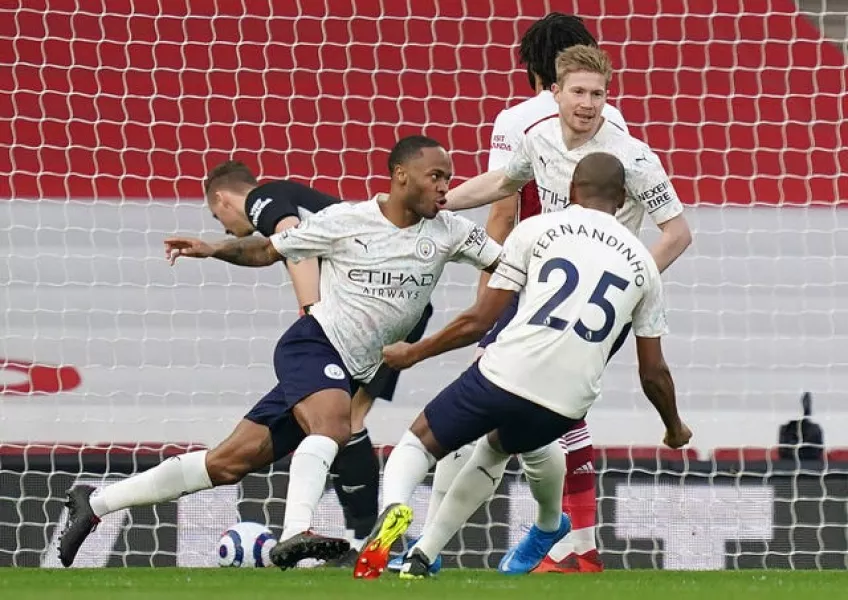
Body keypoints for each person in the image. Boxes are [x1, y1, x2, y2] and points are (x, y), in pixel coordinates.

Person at [57, 135, 502, 569]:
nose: (446, 187)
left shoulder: (452, 233)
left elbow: (509, 265)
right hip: (313, 344)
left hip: (350, 368)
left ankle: (95, 502)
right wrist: (215, 249)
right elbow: (269, 249)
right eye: (436, 176)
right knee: (334, 424)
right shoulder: (348, 220)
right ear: (401, 176)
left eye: (449, 177)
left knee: (226, 463)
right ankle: (294, 533)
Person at [411, 40, 693, 574]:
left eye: (599, 94)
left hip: (597, 301)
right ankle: (560, 540)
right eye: (580, 92)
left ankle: (553, 543)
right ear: (555, 92)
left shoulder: (630, 155)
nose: (589, 104)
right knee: (530, 413)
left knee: (526, 404)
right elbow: (502, 183)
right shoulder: (538, 137)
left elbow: (677, 233)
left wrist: (632, 279)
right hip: (543, 286)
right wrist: (446, 201)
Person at [353, 152, 691, 580]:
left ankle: (396, 508)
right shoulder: (645, 265)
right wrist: (674, 426)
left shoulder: (538, 229)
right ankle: (432, 553)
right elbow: (653, 372)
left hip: (506, 373)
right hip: (568, 404)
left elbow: (481, 319)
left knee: (420, 442)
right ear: (623, 198)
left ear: (571, 191)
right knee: (500, 446)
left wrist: (414, 353)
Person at [391, 14, 630, 576]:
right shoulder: (616, 121)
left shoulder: (519, 119)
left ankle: (432, 543)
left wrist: (487, 302)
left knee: (482, 425)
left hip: (535, 282)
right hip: (605, 285)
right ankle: (570, 540)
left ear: (533, 69)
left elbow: (502, 205)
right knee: (560, 414)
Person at [195, 163, 435, 564]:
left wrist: (312, 314)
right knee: (349, 418)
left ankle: (364, 538)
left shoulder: (262, 198)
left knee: (346, 420)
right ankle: (366, 537)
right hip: (400, 301)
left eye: (216, 215)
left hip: (372, 310)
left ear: (222, 199)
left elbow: (292, 243)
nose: (223, 226)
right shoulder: (302, 198)